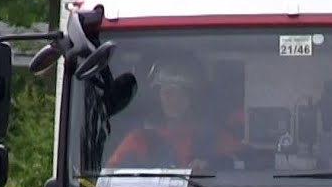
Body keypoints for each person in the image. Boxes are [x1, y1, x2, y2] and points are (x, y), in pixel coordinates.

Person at [105, 59, 245, 171]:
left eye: (182, 93)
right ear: (158, 97)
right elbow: (110, 175)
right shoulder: (139, 139)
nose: (174, 100)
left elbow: (244, 162)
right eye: (168, 93)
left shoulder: (213, 138)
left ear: (193, 97)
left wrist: (212, 164)